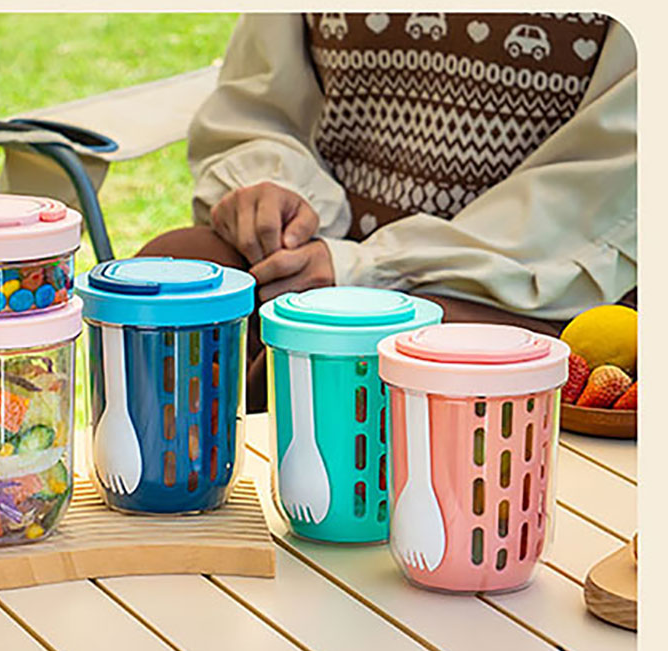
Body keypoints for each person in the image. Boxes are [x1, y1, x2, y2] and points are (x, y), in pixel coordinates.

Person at [139, 12, 636, 413]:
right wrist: (277, 195)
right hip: (325, 253)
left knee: (375, 351)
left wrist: (365, 270)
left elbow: (608, 184)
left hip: (523, 286)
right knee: (171, 281)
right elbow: (260, 104)